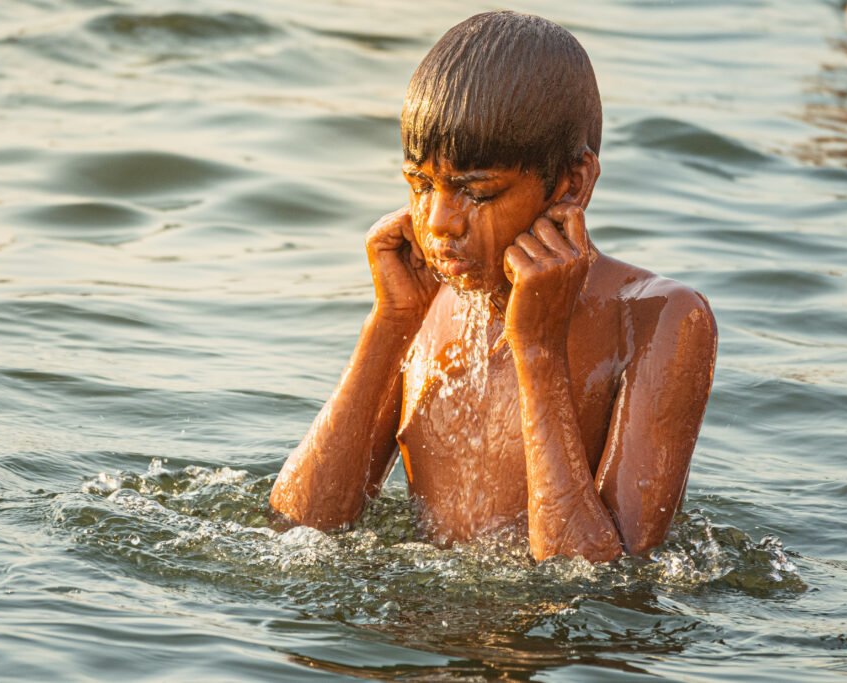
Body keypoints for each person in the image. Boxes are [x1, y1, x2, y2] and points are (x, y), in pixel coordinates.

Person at [269, 10, 717, 562]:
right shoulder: (425, 294)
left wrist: (538, 349)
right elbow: (299, 529)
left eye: (476, 193)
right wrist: (389, 325)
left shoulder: (658, 319)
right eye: (419, 184)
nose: (438, 222)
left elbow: (594, 582)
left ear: (571, 184)